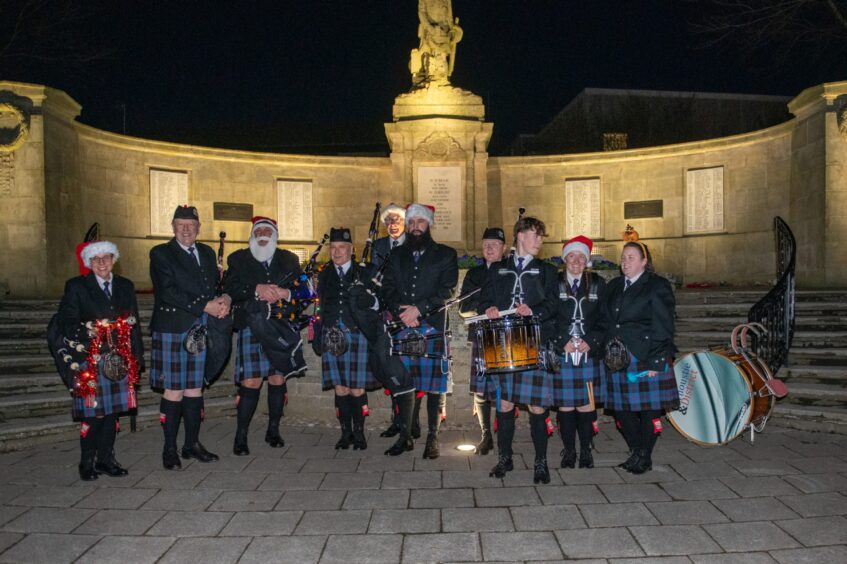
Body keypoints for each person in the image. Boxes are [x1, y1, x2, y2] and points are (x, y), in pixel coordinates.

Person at [51, 241, 143, 481]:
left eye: (106, 257)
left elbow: (134, 324)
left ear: (114, 259)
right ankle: (86, 461)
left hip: (119, 359)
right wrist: (86, 330)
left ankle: (106, 460)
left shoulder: (125, 285)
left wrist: (137, 356)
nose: (102, 262)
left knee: (112, 413)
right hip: (90, 358)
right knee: (93, 414)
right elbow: (66, 320)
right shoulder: (77, 286)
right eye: (96, 259)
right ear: (88, 263)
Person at [149, 205, 230, 469]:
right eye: (180, 224)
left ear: (198, 227)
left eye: (191, 224)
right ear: (172, 227)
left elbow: (214, 286)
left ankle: (191, 444)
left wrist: (223, 299)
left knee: (195, 388)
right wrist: (205, 306)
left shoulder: (206, 252)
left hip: (199, 327)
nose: (186, 229)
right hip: (173, 327)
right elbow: (167, 291)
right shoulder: (161, 253)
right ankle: (169, 449)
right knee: (174, 390)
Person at [478, 216, 558, 483]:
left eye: (541, 237)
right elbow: (484, 301)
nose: (540, 241)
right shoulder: (497, 268)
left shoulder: (546, 271)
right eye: (536, 235)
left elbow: (553, 307)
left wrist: (533, 310)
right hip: (501, 343)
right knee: (503, 402)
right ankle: (505, 458)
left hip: (532, 343)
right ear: (520, 235)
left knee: (537, 405)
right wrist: (488, 309)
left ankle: (540, 462)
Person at [381, 203, 458, 459]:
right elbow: (387, 287)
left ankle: (432, 438)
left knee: (435, 386)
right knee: (404, 383)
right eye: (411, 223)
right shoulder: (396, 255)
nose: (415, 227)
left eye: (420, 223)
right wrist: (401, 310)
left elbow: (447, 290)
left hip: (432, 324)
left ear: (429, 224)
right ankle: (405, 437)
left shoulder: (445, 254)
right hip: (403, 324)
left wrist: (419, 310)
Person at [599, 241, 678, 475]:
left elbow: (664, 325)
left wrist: (657, 361)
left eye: (631, 257)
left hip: (644, 355)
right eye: (623, 257)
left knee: (649, 410)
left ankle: (644, 455)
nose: (625, 262)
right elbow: (605, 321)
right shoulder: (613, 286)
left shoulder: (656, 286)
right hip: (616, 357)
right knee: (621, 409)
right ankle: (637, 450)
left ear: (644, 261)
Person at [225, 216, 302, 455]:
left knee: (278, 379)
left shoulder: (289, 259)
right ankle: (241, 436)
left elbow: (302, 289)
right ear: (252, 234)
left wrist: (286, 292)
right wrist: (256, 289)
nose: (263, 235)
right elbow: (231, 288)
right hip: (253, 325)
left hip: (281, 325)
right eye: (259, 232)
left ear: (275, 235)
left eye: (268, 231)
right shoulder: (238, 259)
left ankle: (274, 430)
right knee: (252, 380)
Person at [315, 227, 381, 450]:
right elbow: (319, 305)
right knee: (340, 387)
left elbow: (381, 300)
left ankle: (360, 433)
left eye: (342, 247)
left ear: (352, 250)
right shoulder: (323, 274)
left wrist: (369, 303)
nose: (337, 252)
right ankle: (346, 433)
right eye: (333, 248)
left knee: (356, 388)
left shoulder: (366, 271)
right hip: (331, 335)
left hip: (357, 333)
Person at [552, 235, 606, 469]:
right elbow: (547, 316)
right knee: (565, 404)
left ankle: (586, 450)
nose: (576, 261)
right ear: (565, 259)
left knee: (586, 404)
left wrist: (592, 341)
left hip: (588, 353)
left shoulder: (597, 283)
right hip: (563, 350)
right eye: (572, 256)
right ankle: (569, 451)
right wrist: (561, 340)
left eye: (581, 257)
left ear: (587, 261)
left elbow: (608, 319)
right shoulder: (553, 283)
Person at [458, 227, 506, 455]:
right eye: (486, 244)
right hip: (481, 333)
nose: (489, 248)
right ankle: (486, 434)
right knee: (481, 389)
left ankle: (505, 435)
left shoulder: (510, 271)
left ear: (503, 248)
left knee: (506, 388)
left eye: (494, 244)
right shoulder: (474, 274)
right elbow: (463, 307)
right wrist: (484, 308)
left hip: (507, 336)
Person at [371, 203, 406, 438]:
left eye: (397, 220)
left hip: (406, 312)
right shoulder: (379, 246)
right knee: (390, 366)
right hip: (385, 312)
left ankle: (409, 420)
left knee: (408, 368)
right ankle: (397, 419)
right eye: (389, 221)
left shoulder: (413, 244)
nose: (393, 225)